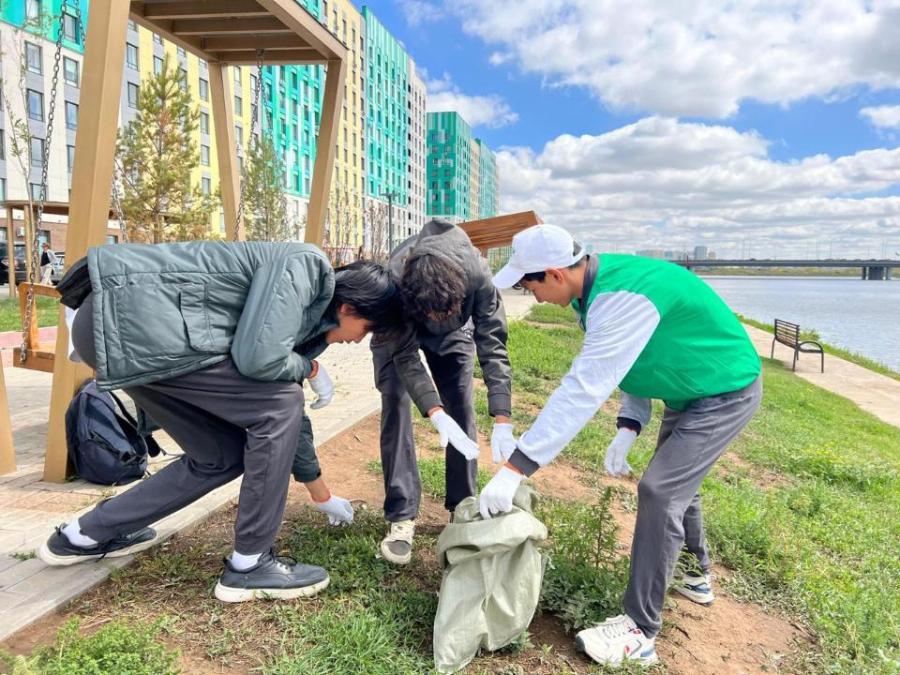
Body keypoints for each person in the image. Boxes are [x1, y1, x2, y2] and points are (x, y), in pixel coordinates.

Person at [39, 240, 401, 603]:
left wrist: (319, 494)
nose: (359, 341)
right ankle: (250, 565)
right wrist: (311, 369)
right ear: (348, 307)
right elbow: (260, 363)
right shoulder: (306, 265)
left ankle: (80, 536)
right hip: (128, 323)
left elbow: (288, 421)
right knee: (281, 403)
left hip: (126, 336)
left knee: (221, 455)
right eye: (367, 329)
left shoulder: (309, 323)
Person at [479, 224, 762, 668]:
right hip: (690, 388)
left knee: (661, 491)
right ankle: (696, 575)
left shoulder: (619, 297)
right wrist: (631, 423)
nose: (527, 294)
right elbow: (636, 352)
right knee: (678, 485)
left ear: (553, 274)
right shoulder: (594, 288)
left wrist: (516, 468)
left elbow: (583, 388)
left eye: (526, 283)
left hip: (724, 391)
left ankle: (640, 631)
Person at [373, 218, 513, 564]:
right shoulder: (395, 279)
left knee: (461, 408)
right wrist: (434, 412)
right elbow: (404, 355)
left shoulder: (477, 274)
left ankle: (462, 511)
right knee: (395, 403)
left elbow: (492, 342)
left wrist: (502, 414)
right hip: (398, 330)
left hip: (454, 335)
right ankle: (402, 515)